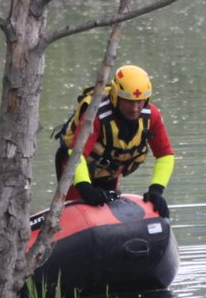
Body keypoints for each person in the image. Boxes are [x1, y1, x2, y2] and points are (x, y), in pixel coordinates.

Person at [54, 64, 175, 217]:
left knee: (106, 215)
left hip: (107, 171)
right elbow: (76, 153)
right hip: (74, 169)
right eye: (129, 101)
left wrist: (156, 190)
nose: (135, 108)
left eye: (140, 101)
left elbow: (165, 155)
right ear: (116, 96)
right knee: (76, 215)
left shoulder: (152, 116)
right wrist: (85, 187)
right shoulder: (96, 115)